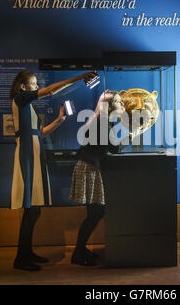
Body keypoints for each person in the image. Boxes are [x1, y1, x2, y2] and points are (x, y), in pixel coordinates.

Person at [10, 70, 97, 271]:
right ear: (23, 87)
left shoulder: (27, 105)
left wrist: (59, 120)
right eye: (33, 83)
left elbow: (39, 133)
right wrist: (78, 77)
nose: (36, 86)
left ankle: (26, 253)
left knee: (34, 210)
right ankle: (20, 258)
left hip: (34, 151)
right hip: (28, 154)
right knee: (30, 210)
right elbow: (49, 91)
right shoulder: (20, 98)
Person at [69, 90, 134, 266]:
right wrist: (130, 137)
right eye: (119, 102)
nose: (123, 105)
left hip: (89, 168)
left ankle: (80, 250)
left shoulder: (103, 121)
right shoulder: (103, 122)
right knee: (95, 213)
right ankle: (78, 253)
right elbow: (113, 148)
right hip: (89, 169)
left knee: (95, 213)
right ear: (110, 106)